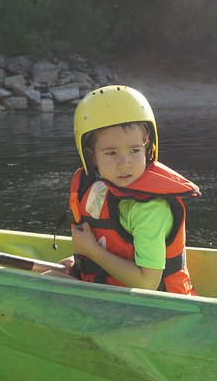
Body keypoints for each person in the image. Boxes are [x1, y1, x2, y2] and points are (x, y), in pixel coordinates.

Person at [58, 85, 201, 295]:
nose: (124, 163)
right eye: (111, 153)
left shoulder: (149, 209)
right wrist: (80, 261)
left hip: (160, 308)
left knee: (48, 281)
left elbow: (147, 283)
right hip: (116, 293)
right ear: (92, 156)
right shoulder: (101, 190)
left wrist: (91, 251)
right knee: (58, 269)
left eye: (134, 150)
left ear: (148, 148)